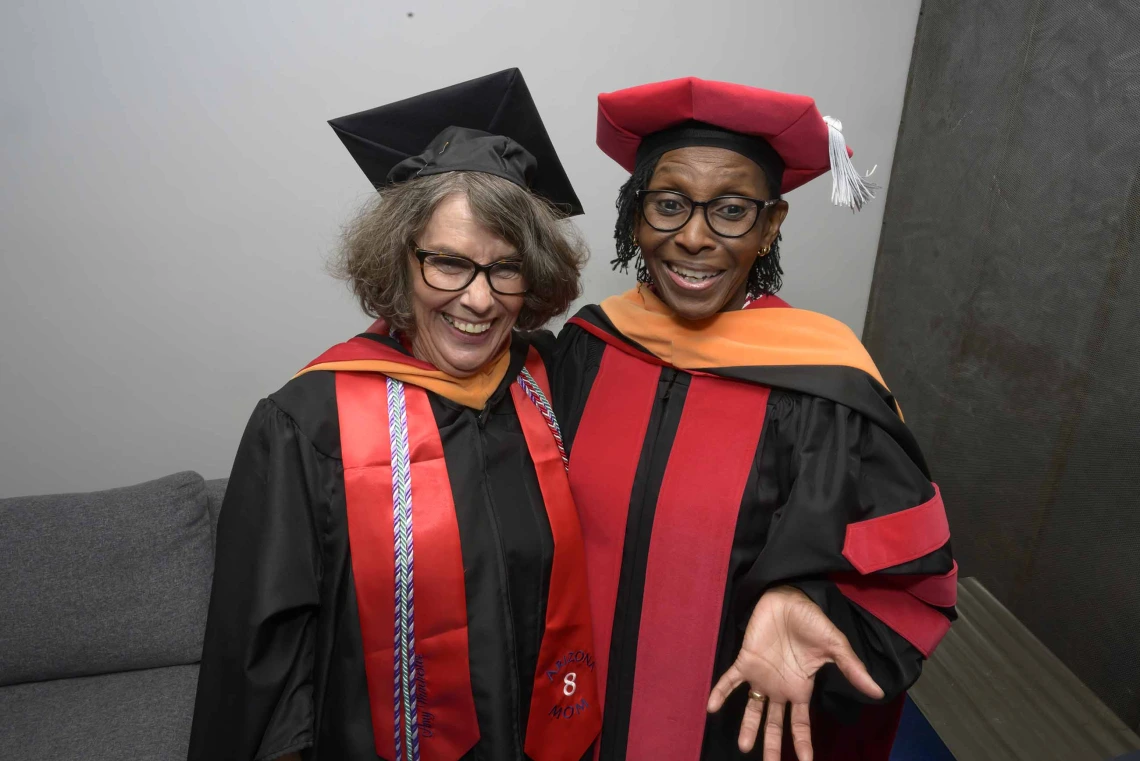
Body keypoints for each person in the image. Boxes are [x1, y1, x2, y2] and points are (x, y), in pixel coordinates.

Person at [188, 69, 601, 761]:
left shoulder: (548, 381)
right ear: (399, 260)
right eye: (448, 262)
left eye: (505, 268)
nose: (478, 299)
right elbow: (265, 665)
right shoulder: (306, 424)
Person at [552, 77, 957, 761]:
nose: (695, 238)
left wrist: (813, 603)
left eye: (733, 210)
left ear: (771, 224)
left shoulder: (827, 385)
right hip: (570, 707)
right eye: (670, 204)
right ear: (636, 215)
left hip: (733, 726)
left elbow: (906, 573)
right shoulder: (587, 349)